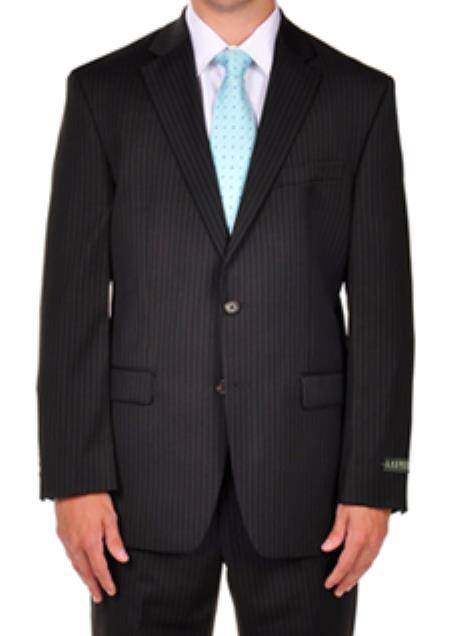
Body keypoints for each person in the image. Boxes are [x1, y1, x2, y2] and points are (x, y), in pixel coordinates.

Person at [36, 1, 414, 634]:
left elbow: (385, 315)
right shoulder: (104, 93)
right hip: (138, 487)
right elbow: (71, 304)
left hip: (308, 487)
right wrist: (74, 477)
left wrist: (378, 481)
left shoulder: (358, 96)